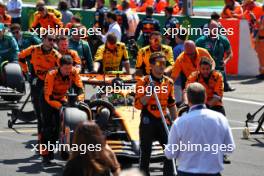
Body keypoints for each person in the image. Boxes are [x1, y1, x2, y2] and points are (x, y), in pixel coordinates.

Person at [165, 82, 235, 176]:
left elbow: (170, 154)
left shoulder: (180, 122)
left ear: (188, 99)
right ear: (205, 97)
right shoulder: (220, 118)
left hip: (187, 171)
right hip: (212, 172)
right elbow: (230, 148)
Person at [134, 52, 177, 176]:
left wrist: (176, 121)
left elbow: (171, 103)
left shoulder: (169, 82)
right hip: (148, 120)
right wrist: (148, 94)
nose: (162, 66)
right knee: (145, 153)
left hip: (164, 120)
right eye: (159, 63)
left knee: (170, 151)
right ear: (151, 65)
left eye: (164, 63)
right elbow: (137, 105)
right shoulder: (143, 82)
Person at [18, 34, 61, 147]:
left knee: (54, 113)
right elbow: (20, 57)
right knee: (39, 113)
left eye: (54, 40)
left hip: (51, 84)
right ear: (43, 40)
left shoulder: (56, 55)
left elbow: (63, 69)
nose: (52, 42)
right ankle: (41, 141)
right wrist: (26, 72)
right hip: (37, 83)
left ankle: (53, 140)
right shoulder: (33, 49)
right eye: (49, 39)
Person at [41, 55, 84, 164]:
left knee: (67, 124)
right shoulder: (51, 74)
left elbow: (80, 89)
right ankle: (46, 155)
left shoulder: (73, 72)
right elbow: (48, 97)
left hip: (62, 97)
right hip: (48, 100)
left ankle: (66, 148)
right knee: (48, 127)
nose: (68, 71)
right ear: (59, 66)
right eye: (65, 69)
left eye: (70, 68)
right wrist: (59, 107)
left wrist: (78, 100)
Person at [196, 20, 235, 92]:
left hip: (219, 69)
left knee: (218, 91)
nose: (214, 30)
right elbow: (195, 54)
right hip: (205, 70)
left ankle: (225, 85)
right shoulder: (201, 41)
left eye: (216, 28)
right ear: (209, 29)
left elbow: (230, 53)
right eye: (212, 28)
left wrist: (225, 61)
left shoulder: (223, 40)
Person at [172, 29, 187, 106]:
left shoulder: (176, 49)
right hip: (188, 78)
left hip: (178, 79)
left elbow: (174, 65)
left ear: (177, 37)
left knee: (178, 103)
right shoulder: (188, 46)